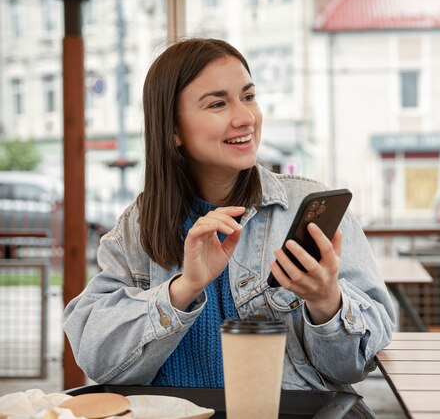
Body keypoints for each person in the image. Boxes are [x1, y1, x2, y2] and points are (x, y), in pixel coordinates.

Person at [63, 38, 396, 417]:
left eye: (249, 97)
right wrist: (183, 288)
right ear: (173, 130)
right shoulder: (136, 230)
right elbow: (97, 359)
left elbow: (356, 364)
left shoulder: (306, 209)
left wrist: (326, 302)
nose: (246, 117)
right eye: (218, 103)